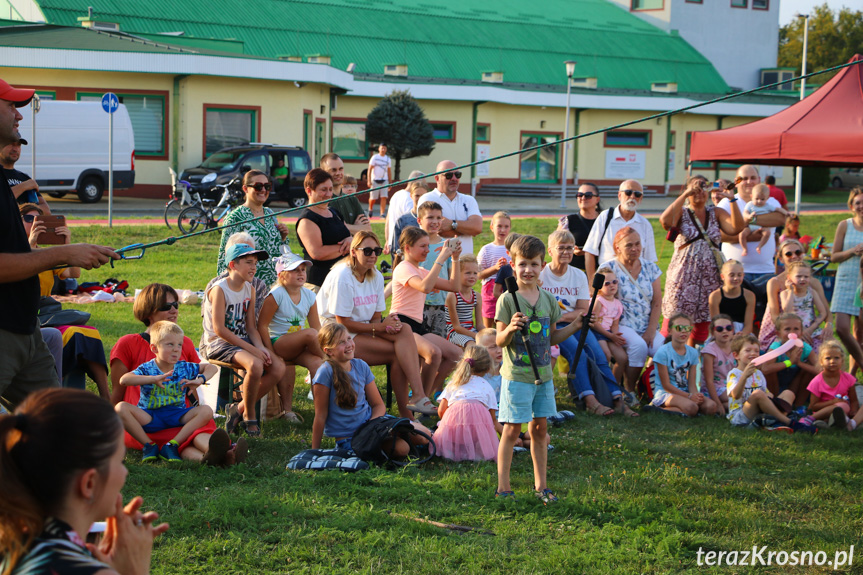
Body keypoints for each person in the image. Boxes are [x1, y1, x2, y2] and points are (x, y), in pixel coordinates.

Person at [0, 78, 118, 410]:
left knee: (57, 426)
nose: (20, 116)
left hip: (28, 329)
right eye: (11, 106)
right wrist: (64, 252)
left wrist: (71, 253)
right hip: (4, 334)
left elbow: (19, 254)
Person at [0, 388, 169, 574]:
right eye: (120, 461)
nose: (125, 473)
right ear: (89, 483)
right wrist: (134, 569)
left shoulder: (14, 544)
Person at [110, 283, 245, 466]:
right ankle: (223, 455)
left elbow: (193, 384)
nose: (174, 310)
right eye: (167, 307)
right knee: (189, 435)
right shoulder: (128, 343)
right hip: (144, 421)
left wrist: (198, 395)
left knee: (195, 432)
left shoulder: (184, 342)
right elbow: (118, 390)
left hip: (178, 414)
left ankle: (216, 458)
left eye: (176, 305)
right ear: (148, 311)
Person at [494, 235, 586, 504]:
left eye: (534, 264)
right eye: (522, 264)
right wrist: (510, 328)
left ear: (542, 265)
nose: (528, 270)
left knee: (540, 430)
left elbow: (552, 338)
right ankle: (503, 487)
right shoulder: (507, 300)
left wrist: (575, 326)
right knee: (511, 430)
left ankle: (541, 486)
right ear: (513, 265)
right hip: (517, 377)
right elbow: (499, 340)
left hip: (543, 376)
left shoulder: (547, 299)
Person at [316, 231, 436, 416]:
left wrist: (387, 325)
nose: (373, 255)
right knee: (397, 354)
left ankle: (418, 396)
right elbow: (343, 323)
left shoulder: (377, 276)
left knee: (404, 329)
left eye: (377, 251)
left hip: (359, 329)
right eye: (368, 251)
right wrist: (379, 327)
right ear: (354, 251)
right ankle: (409, 413)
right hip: (336, 335)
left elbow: (374, 318)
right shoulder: (343, 276)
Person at [20, 203, 111, 399]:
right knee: (74, 334)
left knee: (89, 333)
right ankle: (58, 394)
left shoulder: (47, 254)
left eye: (39, 219)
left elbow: (73, 273)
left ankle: (106, 397)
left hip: (47, 312)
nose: (34, 223)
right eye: (29, 219)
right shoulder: (14, 252)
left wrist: (66, 245)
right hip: (28, 312)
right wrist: (31, 244)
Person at [541, 231, 635, 415]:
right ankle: (589, 400)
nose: (566, 252)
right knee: (578, 354)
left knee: (598, 354)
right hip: (553, 326)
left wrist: (560, 316)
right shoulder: (542, 275)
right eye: (561, 248)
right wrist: (558, 318)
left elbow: (583, 310)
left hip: (575, 322)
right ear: (550, 250)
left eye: (570, 248)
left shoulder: (578, 275)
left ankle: (617, 398)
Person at [201, 240, 286, 437]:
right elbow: (219, 329)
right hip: (218, 343)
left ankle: (238, 409)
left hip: (242, 340)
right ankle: (250, 417)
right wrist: (254, 351)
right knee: (256, 364)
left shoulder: (250, 289)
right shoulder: (220, 289)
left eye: (255, 262)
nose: (254, 267)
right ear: (233, 265)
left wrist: (261, 348)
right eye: (249, 262)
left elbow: (251, 328)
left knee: (278, 366)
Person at [311, 323, 430, 452]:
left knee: (424, 435)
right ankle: (405, 444)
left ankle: (421, 441)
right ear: (328, 351)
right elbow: (320, 415)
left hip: (373, 425)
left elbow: (378, 405)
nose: (349, 345)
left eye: (349, 339)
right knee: (402, 449)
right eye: (341, 342)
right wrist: (314, 451)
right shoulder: (325, 373)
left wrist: (372, 426)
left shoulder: (361, 366)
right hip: (351, 438)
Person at [115, 321, 218, 463]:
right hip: (150, 416)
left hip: (176, 414)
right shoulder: (147, 368)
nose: (176, 349)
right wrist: (152, 379)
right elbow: (124, 380)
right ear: (154, 348)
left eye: (179, 345)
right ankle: (149, 446)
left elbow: (212, 368)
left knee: (206, 410)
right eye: (170, 344)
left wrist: (200, 380)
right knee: (120, 408)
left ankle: (172, 445)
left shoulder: (183, 367)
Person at [660, 175, 743, 344]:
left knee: (702, 326)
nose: (699, 193)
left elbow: (736, 227)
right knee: (674, 323)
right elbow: (665, 221)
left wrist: (732, 199)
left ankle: (693, 364)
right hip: (683, 277)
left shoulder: (716, 212)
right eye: (695, 189)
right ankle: (657, 364)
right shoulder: (682, 212)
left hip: (709, 278)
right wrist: (684, 195)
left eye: (703, 188)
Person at [390, 226, 463, 398]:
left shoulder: (421, 271)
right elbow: (425, 287)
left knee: (456, 354)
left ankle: (426, 396)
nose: (427, 250)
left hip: (416, 325)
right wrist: (441, 258)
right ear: (407, 248)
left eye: (428, 246)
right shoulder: (403, 267)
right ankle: (419, 396)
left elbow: (455, 287)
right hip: (400, 324)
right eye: (423, 246)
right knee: (434, 353)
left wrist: (455, 259)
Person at [257, 252, 324, 423]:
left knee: (317, 363)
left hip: (299, 345)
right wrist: (271, 352)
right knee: (311, 334)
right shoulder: (276, 294)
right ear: (281, 275)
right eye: (295, 270)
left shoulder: (309, 295)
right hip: (278, 342)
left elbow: (317, 327)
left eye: (303, 269)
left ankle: (321, 412)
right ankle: (335, 363)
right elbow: (262, 325)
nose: (301, 273)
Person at [604, 226, 664, 395]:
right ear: (617, 248)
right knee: (638, 346)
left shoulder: (651, 268)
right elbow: (600, 299)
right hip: (621, 324)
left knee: (663, 350)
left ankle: (656, 390)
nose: (635, 249)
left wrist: (651, 330)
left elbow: (657, 301)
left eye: (638, 244)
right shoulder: (608, 268)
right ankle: (629, 390)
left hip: (647, 323)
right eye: (629, 245)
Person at [725, 333, 816, 433]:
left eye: (756, 351)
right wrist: (744, 376)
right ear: (736, 355)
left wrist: (769, 397)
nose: (753, 353)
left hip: (760, 412)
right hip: (741, 416)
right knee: (757, 394)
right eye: (748, 350)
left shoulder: (758, 373)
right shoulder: (734, 374)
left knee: (788, 393)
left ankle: (774, 422)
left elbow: (769, 394)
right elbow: (736, 395)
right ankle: (790, 422)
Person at [215, 170, 291, 287]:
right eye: (258, 186)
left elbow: (279, 251)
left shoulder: (269, 214)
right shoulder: (235, 217)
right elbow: (224, 258)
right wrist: (225, 289)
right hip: (248, 287)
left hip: (274, 286)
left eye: (267, 186)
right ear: (245, 189)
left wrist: (283, 237)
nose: (263, 190)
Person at [717, 165, 786, 286]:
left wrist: (746, 221)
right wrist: (751, 237)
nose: (749, 182)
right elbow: (719, 235)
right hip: (734, 273)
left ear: (759, 180)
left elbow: (780, 219)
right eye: (744, 178)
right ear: (736, 182)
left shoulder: (770, 201)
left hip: (765, 270)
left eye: (753, 178)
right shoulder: (727, 203)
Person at [759, 239, 831, 353]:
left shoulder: (812, 283)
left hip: (809, 327)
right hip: (780, 327)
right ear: (781, 259)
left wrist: (829, 325)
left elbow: (826, 310)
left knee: (830, 347)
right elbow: (775, 316)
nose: (794, 256)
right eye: (788, 254)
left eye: (797, 252)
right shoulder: (775, 282)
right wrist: (796, 332)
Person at [435, 346, 500, 462]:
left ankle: (451, 451)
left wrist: (447, 424)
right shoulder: (487, 386)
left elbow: (441, 411)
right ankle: (476, 454)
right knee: (484, 431)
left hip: (453, 430)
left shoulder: (454, 383)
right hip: (476, 433)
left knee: (444, 432)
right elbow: (492, 419)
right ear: (488, 368)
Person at [583, 179, 657, 280]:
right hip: (607, 281)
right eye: (628, 192)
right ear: (619, 195)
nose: (632, 197)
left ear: (641, 198)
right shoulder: (605, 217)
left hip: (635, 282)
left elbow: (650, 261)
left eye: (637, 194)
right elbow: (590, 251)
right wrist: (591, 282)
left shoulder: (645, 224)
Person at [649, 313, 717, 417]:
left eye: (687, 328)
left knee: (711, 406)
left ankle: (683, 411)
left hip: (685, 393)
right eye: (679, 328)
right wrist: (689, 397)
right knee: (692, 407)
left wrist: (695, 395)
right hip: (666, 394)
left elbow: (691, 383)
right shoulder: (663, 352)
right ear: (670, 331)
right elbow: (666, 385)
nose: (684, 331)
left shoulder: (693, 352)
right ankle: (656, 408)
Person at [295, 168, 352, 292]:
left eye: (330, 189)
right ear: (309, 190)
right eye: (323, 190)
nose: (328, 194)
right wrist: (348, 246)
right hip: (319, 284)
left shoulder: (334, 212)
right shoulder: (307, 220)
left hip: (343, 280)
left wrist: (351, 240)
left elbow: (347, 234)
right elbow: (317, 253)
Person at [830, 187, 863, 373]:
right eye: (857, 203)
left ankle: (851, 377)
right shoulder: (845, 225)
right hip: (845, 279)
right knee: (842, 328)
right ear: (851, 206)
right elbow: (833, 256)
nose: (861, 206)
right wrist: (853, 251)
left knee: (860, 334)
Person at [418, 160, 482, 254]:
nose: (454, 178)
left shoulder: (469, 200)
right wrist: (468, 230)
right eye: (448, 175)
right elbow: (437, 231)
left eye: (457, 175)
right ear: (437, 178)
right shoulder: (428, 198)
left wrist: (452, 224)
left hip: (466, 263)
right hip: (439, 263)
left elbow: (477, 228)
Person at [761, 313, 819, 405]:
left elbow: (821, 370)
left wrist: (799, 363)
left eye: (796, 329)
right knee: (770, 370)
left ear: (801, 332)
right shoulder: (776, 347)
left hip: (795, 386)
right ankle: (774, 402)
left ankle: (798, 406)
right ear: (778, 333)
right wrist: (790, 362)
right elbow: (765, 369)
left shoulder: (805, 348)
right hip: (776, 385)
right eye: (787, 329)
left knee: (809, 370)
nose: (792, 333)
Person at [778, 261, 828, 353]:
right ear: (789, 278)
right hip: (793, 332)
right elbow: (787, 311)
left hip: (811, 330)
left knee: (821, 348)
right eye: (799, 276)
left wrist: (811, 328)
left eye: (806, 277)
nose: (802, 279)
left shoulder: (811, 292)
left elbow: (823, 312)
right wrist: (791, 291)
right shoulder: (785, 293)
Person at [806, 340, 858, 428]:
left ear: (842, 360)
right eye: (828, 358)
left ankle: (829, 422)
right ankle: (810, 418)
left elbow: (854, 400)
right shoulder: (817, 381)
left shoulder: (848, 378)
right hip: (823, 411)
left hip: (845, 410)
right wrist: (833, 403)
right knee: (841, 406)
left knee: (844, 407)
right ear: (821, 361)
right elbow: (813, 407)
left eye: (836, 358)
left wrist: (854, 410)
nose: (832, 361)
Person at [320, 153, 371, 234]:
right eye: (333, 170)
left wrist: (344, 226)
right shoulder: (321, 201)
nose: (338, 173)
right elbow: (329, 230)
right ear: (323, 172)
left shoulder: (352, 199)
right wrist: (355, 227)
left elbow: (367, 230)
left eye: (341, 169)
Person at [477, 211, 512, 328]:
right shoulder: (486, 249)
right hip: (489, 290)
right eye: (499, 226)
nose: (503, 230)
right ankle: (487, 345)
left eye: (506, 226)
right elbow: (478, 274)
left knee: (506, 321)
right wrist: (495, 268)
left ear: (510, 228)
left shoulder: (513, 249)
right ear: (492, 227)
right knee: (488, 325)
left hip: (508, 288)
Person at [560, 182, 602, 271]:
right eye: (580, 195)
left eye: (588, 195)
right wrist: (571, 250)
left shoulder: (605, 219)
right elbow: (556, 248)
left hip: (601, 272)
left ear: (597, 199)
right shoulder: (568, 221)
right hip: (575, 272)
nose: (583, 198)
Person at [592, 266, 627, 371]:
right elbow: (594, 322)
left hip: (609, 332)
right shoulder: (599, 301)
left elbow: (615, 324)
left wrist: (615, 335)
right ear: (599, 287)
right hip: (597, 332)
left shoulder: (618, 304)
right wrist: (611, 336)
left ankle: (615, 384)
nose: (612, 285)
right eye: (607, 283)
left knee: (622, 358)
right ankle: (601, 383)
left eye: (614, 282)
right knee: (605, 355)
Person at [700, 314, 736, 417]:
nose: (725, 331)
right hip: (715, 387)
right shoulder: (710, 351)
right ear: (713, 333)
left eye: (728, 328)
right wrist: (719, 404)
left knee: (739, 396)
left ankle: (727, 406)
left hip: (730, 385)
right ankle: (720, 405)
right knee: (738, 397)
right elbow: (709, 381)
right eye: (719, 329)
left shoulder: (736, 346)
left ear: (733, 330)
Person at [385, 172, 428, 257]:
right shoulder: (408, 200)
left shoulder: (396, 194)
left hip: (393, 241)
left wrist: (387, 240)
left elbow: (388, 220)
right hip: (405, 246)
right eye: (423, 183)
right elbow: (411, 222)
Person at [739, 183, 788, 257]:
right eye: (757, 199)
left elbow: (777, 209)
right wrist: (749, 216)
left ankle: (759, 246)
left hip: (762, 227)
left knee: (767, 233)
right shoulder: (750, 204)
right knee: (742, 234)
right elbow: (745, 213)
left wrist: (786, 213)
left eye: (762, 199)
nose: (759, 201)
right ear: (751, 197)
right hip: (751, 226)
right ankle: (744, 248)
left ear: (767, 198)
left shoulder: (767, 206)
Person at [708, 260, 755, 335]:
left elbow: (748, 325)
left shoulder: (749, 295)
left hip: (742, 333)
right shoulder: (715, 296)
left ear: (743, 275)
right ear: (722, 276)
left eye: (739, 275)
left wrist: (741, 335)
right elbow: (716, 323)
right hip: (722, 332)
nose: (736, 278)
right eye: (732, 275)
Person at [1, 137, 49, 211]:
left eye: (18, 145)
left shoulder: (24, 178)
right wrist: (24, 186)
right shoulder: (27, 183)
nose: (15, 149)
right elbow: (3, 201)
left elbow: (46, 211)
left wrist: (26, 212)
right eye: (11, 144)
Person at [445, 253, 481, 348]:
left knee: (492, 342)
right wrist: (477, 336)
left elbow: (480, 324)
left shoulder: (477, 296)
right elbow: (456, 327)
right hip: (454, 333)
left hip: (470, 330)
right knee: (472, 346)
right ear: (457, 273)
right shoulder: (452, 295)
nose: (472, 276)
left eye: (475, 273)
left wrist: (488, 334)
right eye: (468, 273)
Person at [391, 183, 429, 265]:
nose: (420, 199)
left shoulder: (434, 220)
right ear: (411, 196)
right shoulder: (403, 220)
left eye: (423, 196)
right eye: (417, 195)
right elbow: (396, 250)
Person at [367, 143, 392, 218]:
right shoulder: (375, 157)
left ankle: (382, 213)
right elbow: (370, 169)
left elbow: (389, 171)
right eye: (382, 148)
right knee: (373, 197)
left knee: (384, 197)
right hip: (375, 180)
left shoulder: (388, 159)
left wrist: (390, 182)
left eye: (384, 148)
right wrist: (369, 180)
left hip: (384, 180)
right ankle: (370, 209)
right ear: (379, 149)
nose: (383, 150)